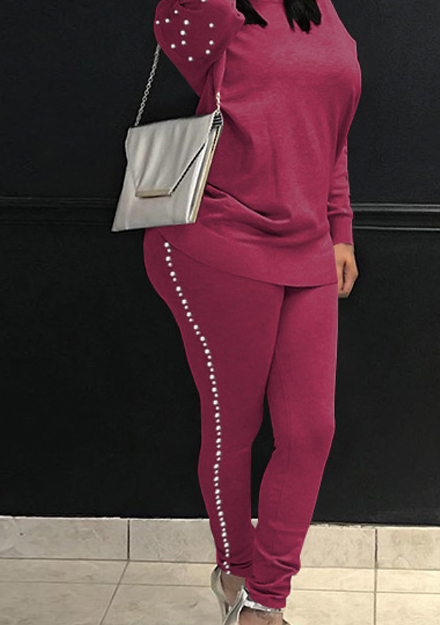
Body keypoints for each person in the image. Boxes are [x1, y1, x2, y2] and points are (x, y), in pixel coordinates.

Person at [142, 0, 361, 622]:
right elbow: (171, 21)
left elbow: (332, 131)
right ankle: (239, 581)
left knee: (310, 431)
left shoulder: (322, 9)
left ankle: (267, 597)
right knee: (232, 427)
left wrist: (340, 226)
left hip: (308, 243)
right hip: (219, 239)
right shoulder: (212, 11)